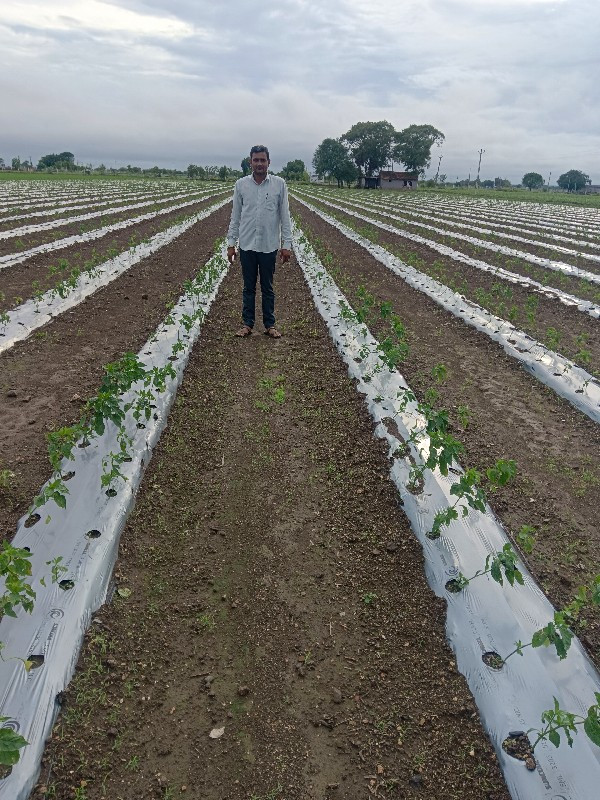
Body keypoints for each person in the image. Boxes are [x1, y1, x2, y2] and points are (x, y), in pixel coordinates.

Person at [226, 145, 292, 338]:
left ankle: (269, 325)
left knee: (268, 287)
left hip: (268, 245)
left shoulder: (279, 184)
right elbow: (235, 217)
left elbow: (285, 216)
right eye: (256, 160)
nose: (259, 164)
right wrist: (231, 243)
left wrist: (285, 245)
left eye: (263, 160)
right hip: (247, 244)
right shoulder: (241, 185)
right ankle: (247, 324)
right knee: (248, 287)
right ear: (250, 162)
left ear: (269, 162)